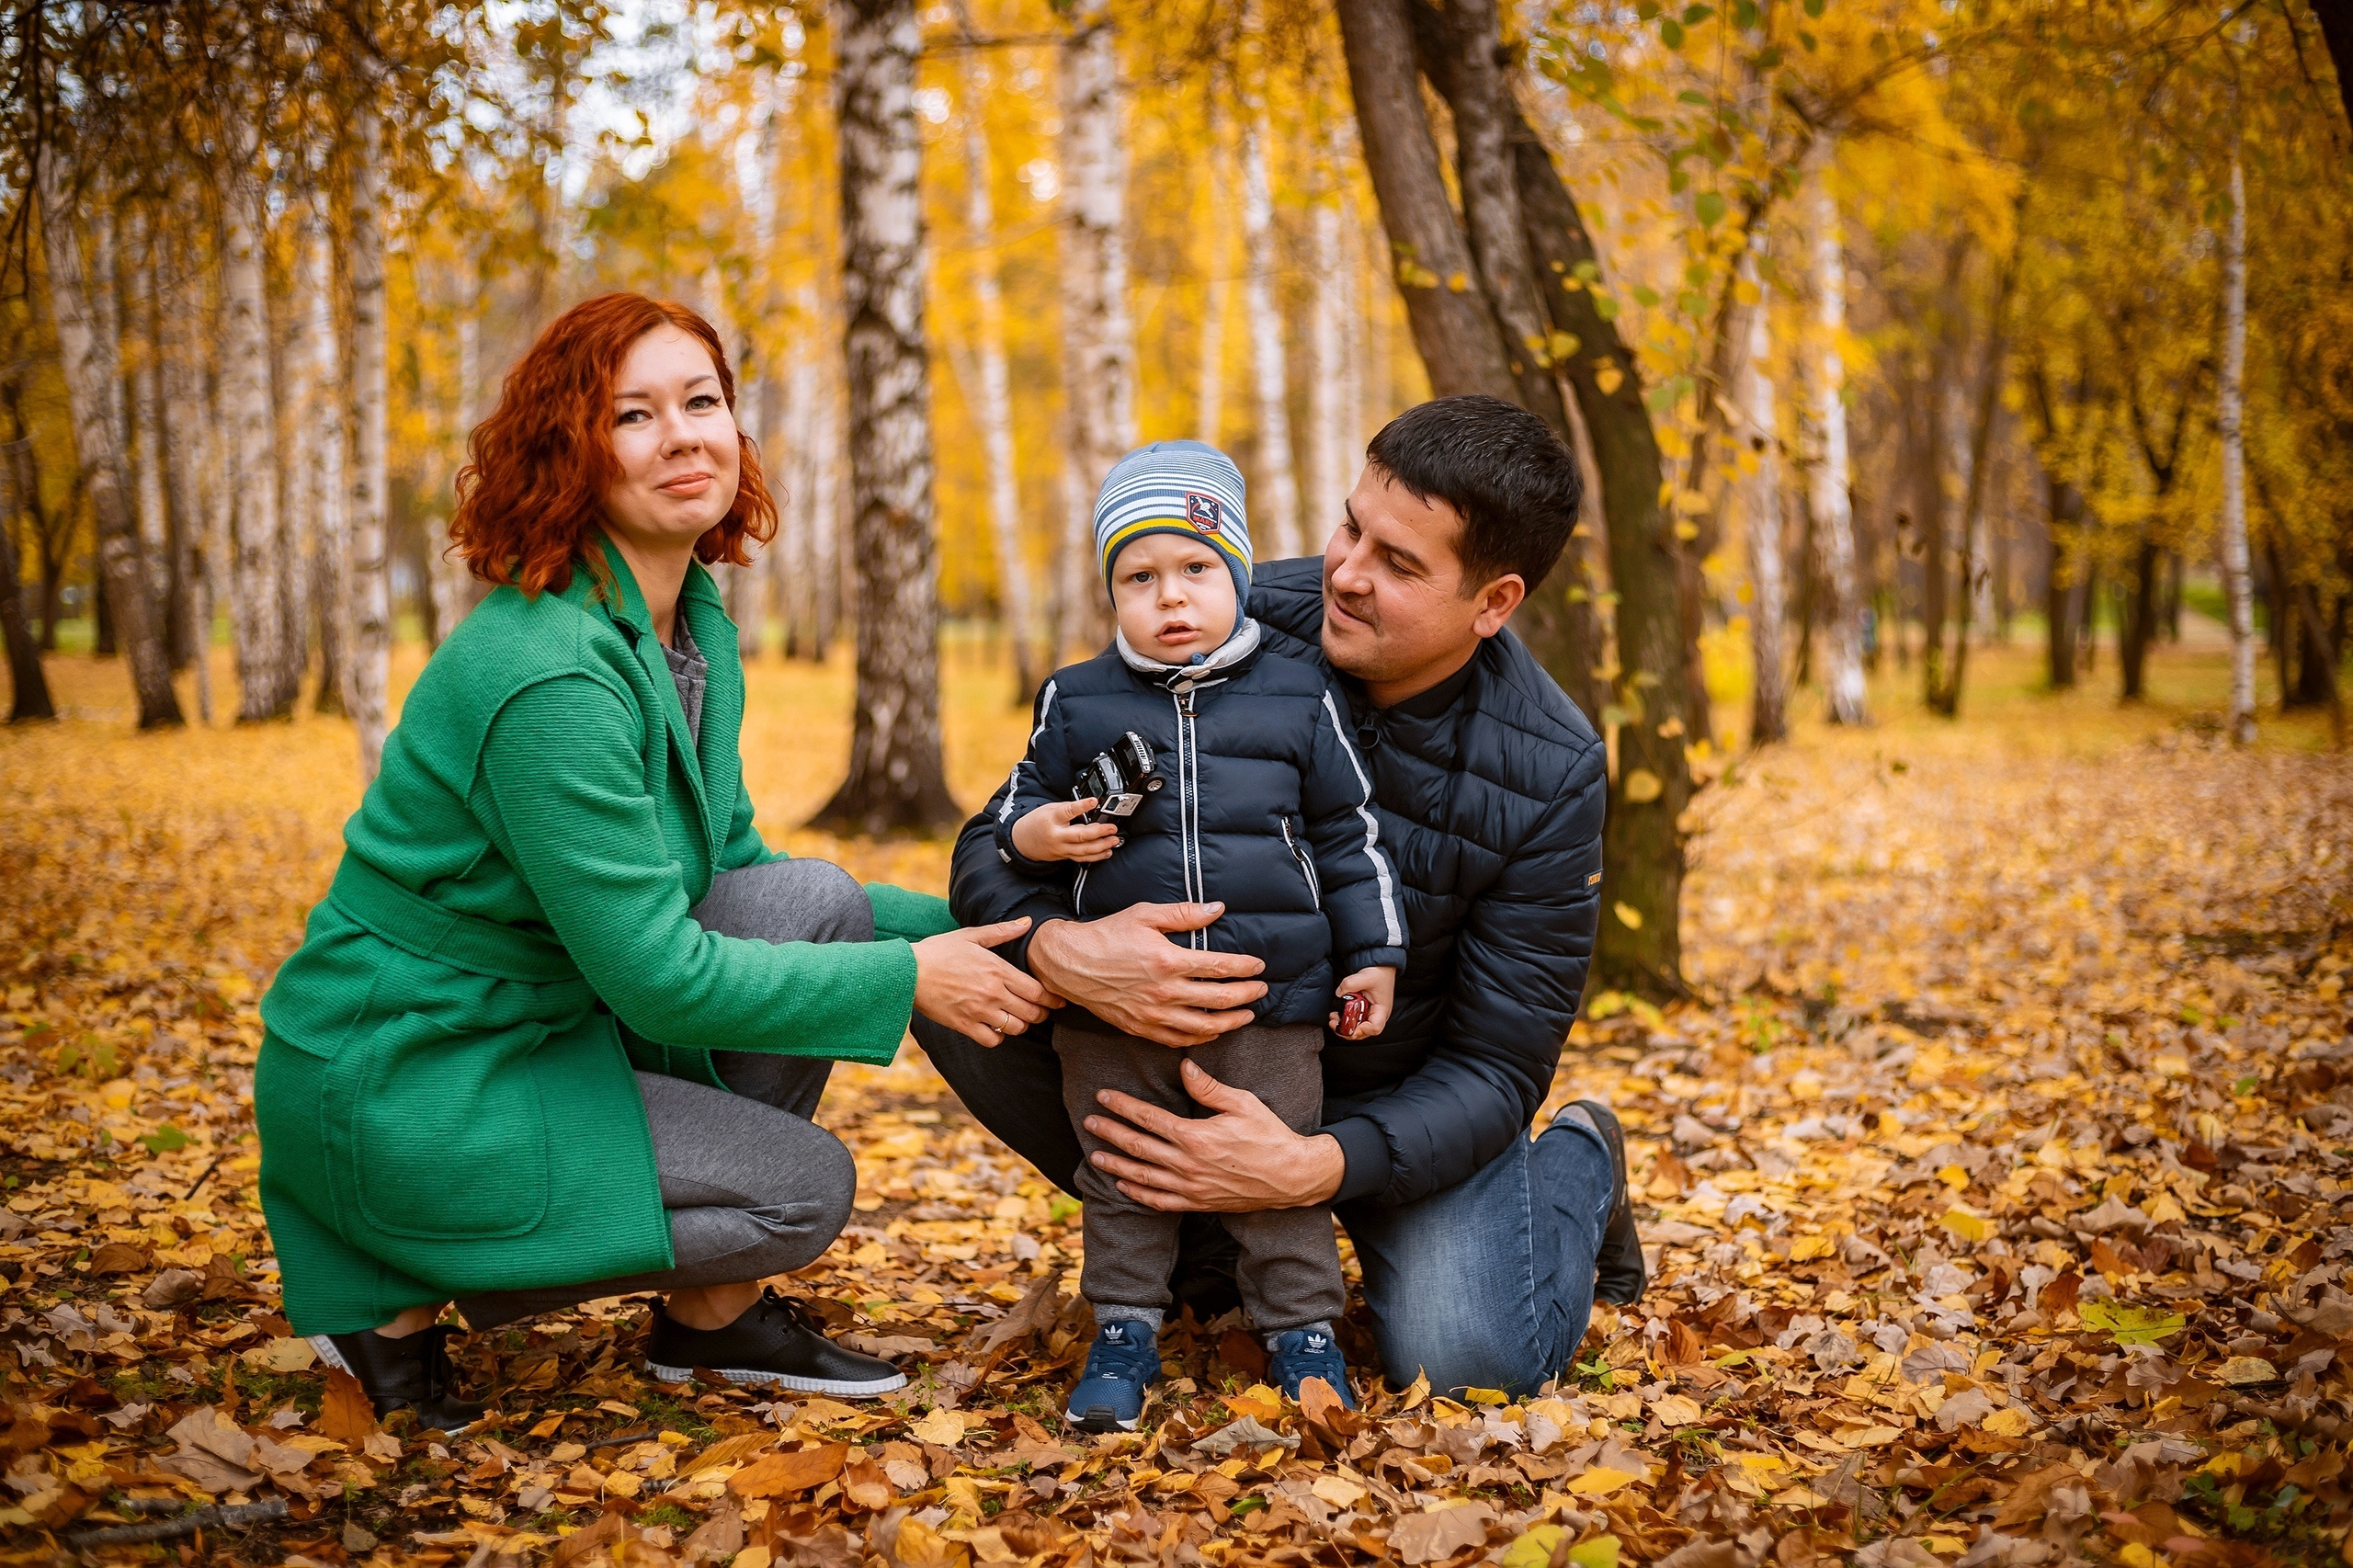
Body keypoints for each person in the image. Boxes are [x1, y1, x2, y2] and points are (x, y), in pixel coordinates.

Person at [253, 293, 1049, 1429]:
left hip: (540, 1023)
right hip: (412, 1068)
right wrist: (914, 977)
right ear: (567, 455)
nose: (682, 436)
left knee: (812, 900)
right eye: (633, 415)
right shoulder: (550, 670)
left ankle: (709, 1322)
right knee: (802, 1190)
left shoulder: (684, 626)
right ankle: (391, 1279)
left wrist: (1028, 937)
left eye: (702, 402)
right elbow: (659, 976)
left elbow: (736, 871)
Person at [920, 395, 1646, 1400]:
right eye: (1351, 526)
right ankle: (1202, 1242)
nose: (1345, 572)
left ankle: (1580, 1161)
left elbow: (1496, 1063)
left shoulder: (1549, 768)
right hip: (1176, 1050)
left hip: (1387, 1099)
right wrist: (1056, 945)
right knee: (938, 960)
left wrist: (1316, 1164)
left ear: (1493, 602)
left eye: (1399, 565)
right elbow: (994, 836)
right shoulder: (1217, 603)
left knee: (1470, 1359)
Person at [999, 441, 1404, 1430]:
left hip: (1267, 999)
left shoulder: (1300, 692)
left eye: (1195, 569)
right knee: (1121, 1171)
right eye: (1138, 577)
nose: (1170, 597)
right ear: (1110, 592)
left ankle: (1302, 1329)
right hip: (1112, 1013)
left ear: (1237, 573)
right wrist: (1034, 832)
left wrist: (1374, 955)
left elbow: (1348, 835)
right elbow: (1012, 807)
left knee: (1277, 1172)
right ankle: (1123, 1327)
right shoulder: (1075, 698)